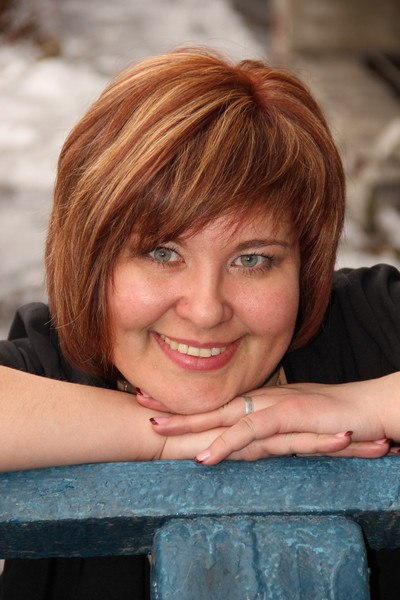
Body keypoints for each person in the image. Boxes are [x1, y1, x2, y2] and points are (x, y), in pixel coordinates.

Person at [0, 47, 399, 599]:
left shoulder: (372, 324)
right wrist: (164, 438)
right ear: (90, 259)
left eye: (252, 259)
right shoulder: (50, 370)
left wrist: (368, 405)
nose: (207, 309)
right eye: (162, 253)